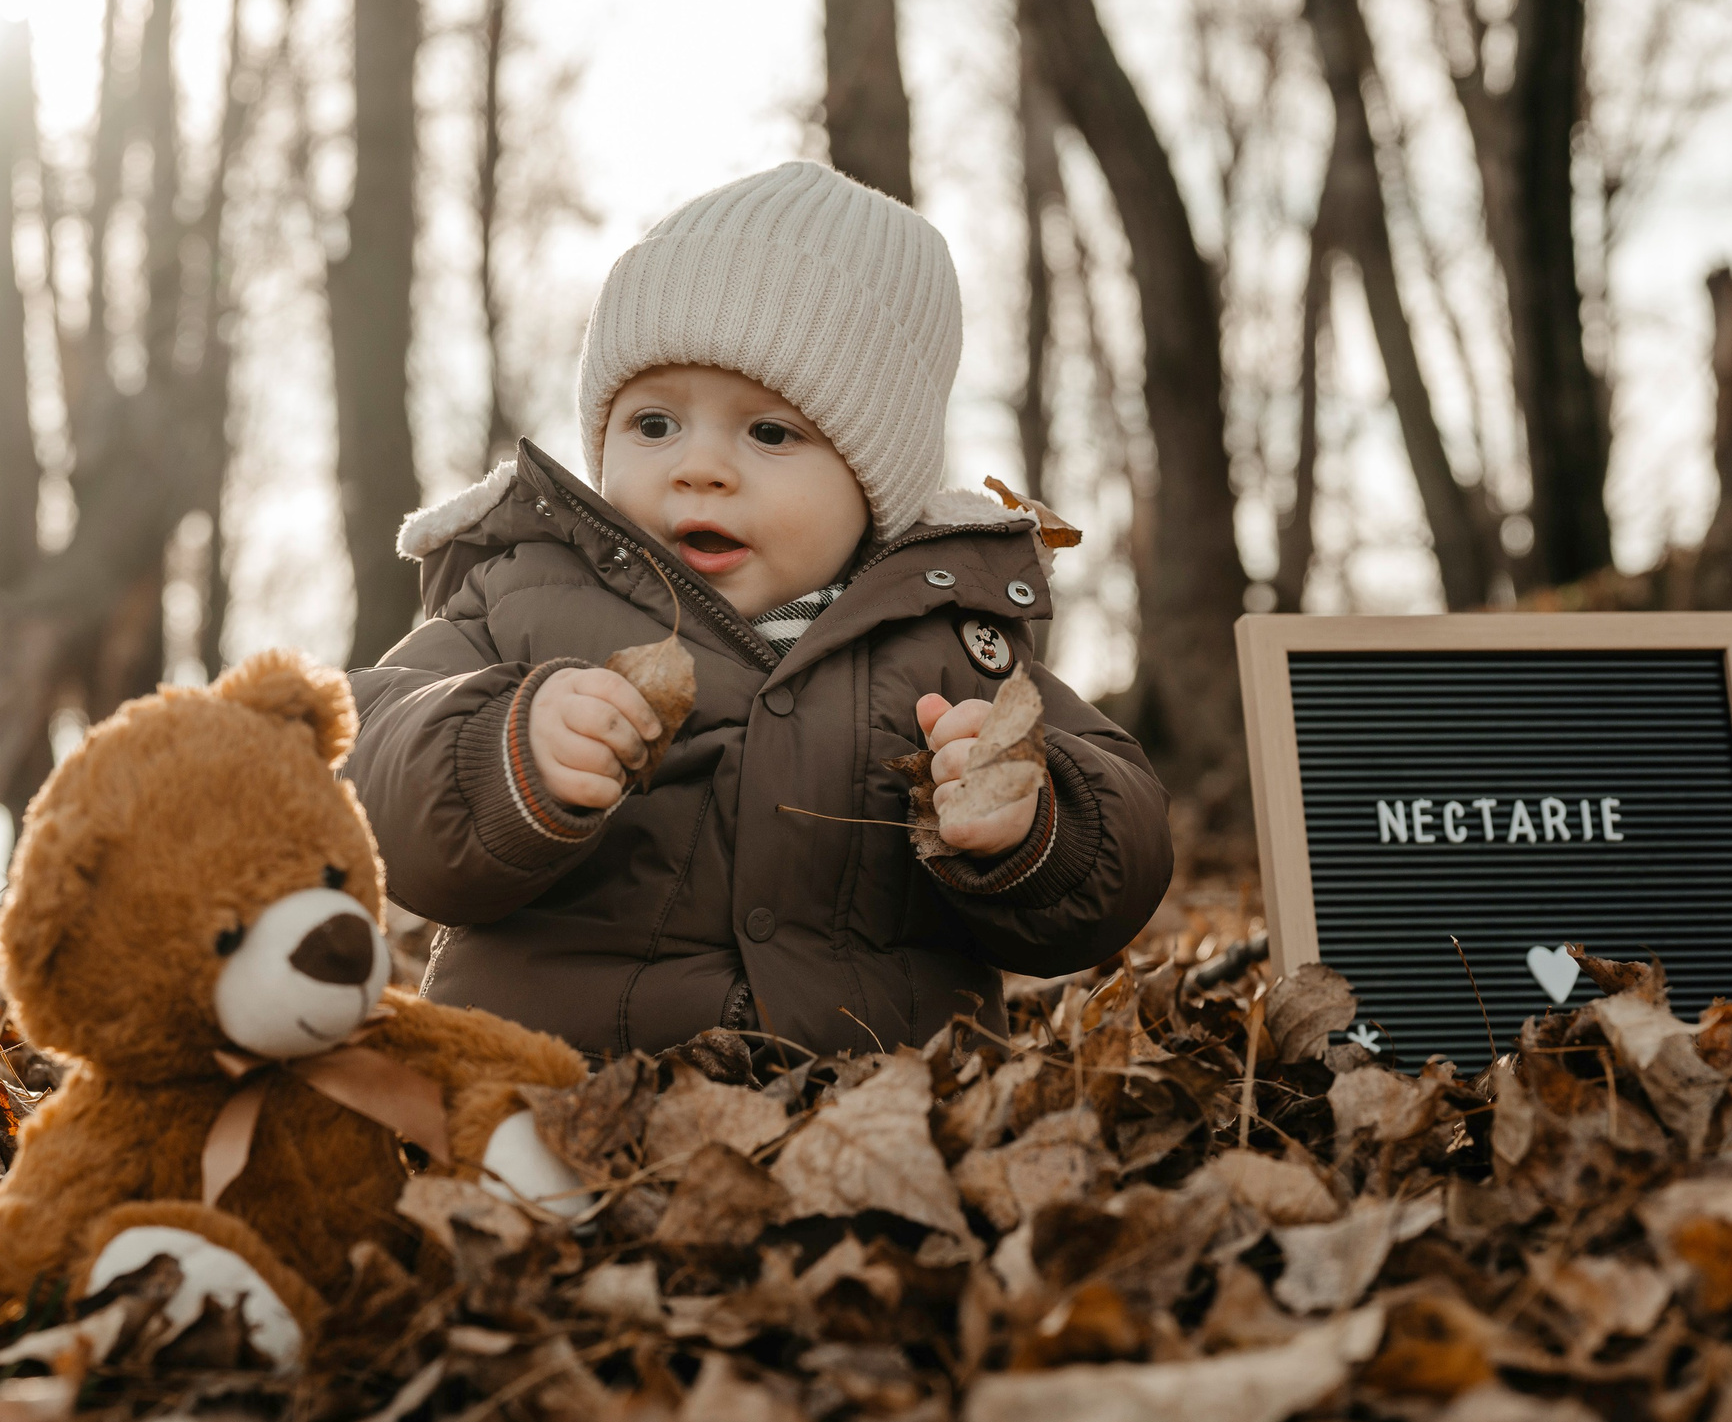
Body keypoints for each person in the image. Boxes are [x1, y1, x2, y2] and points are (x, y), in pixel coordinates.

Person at [345, 160, 1172, 1060]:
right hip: (560, 1100)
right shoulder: (525, 596)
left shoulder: (950, 641)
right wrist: (501, 755)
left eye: (770, 433)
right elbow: (361, 767)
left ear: (874, 482)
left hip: (880, 1118)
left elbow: (1124, 853)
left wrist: (1034, 822)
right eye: (654, 425)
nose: (699, 467)